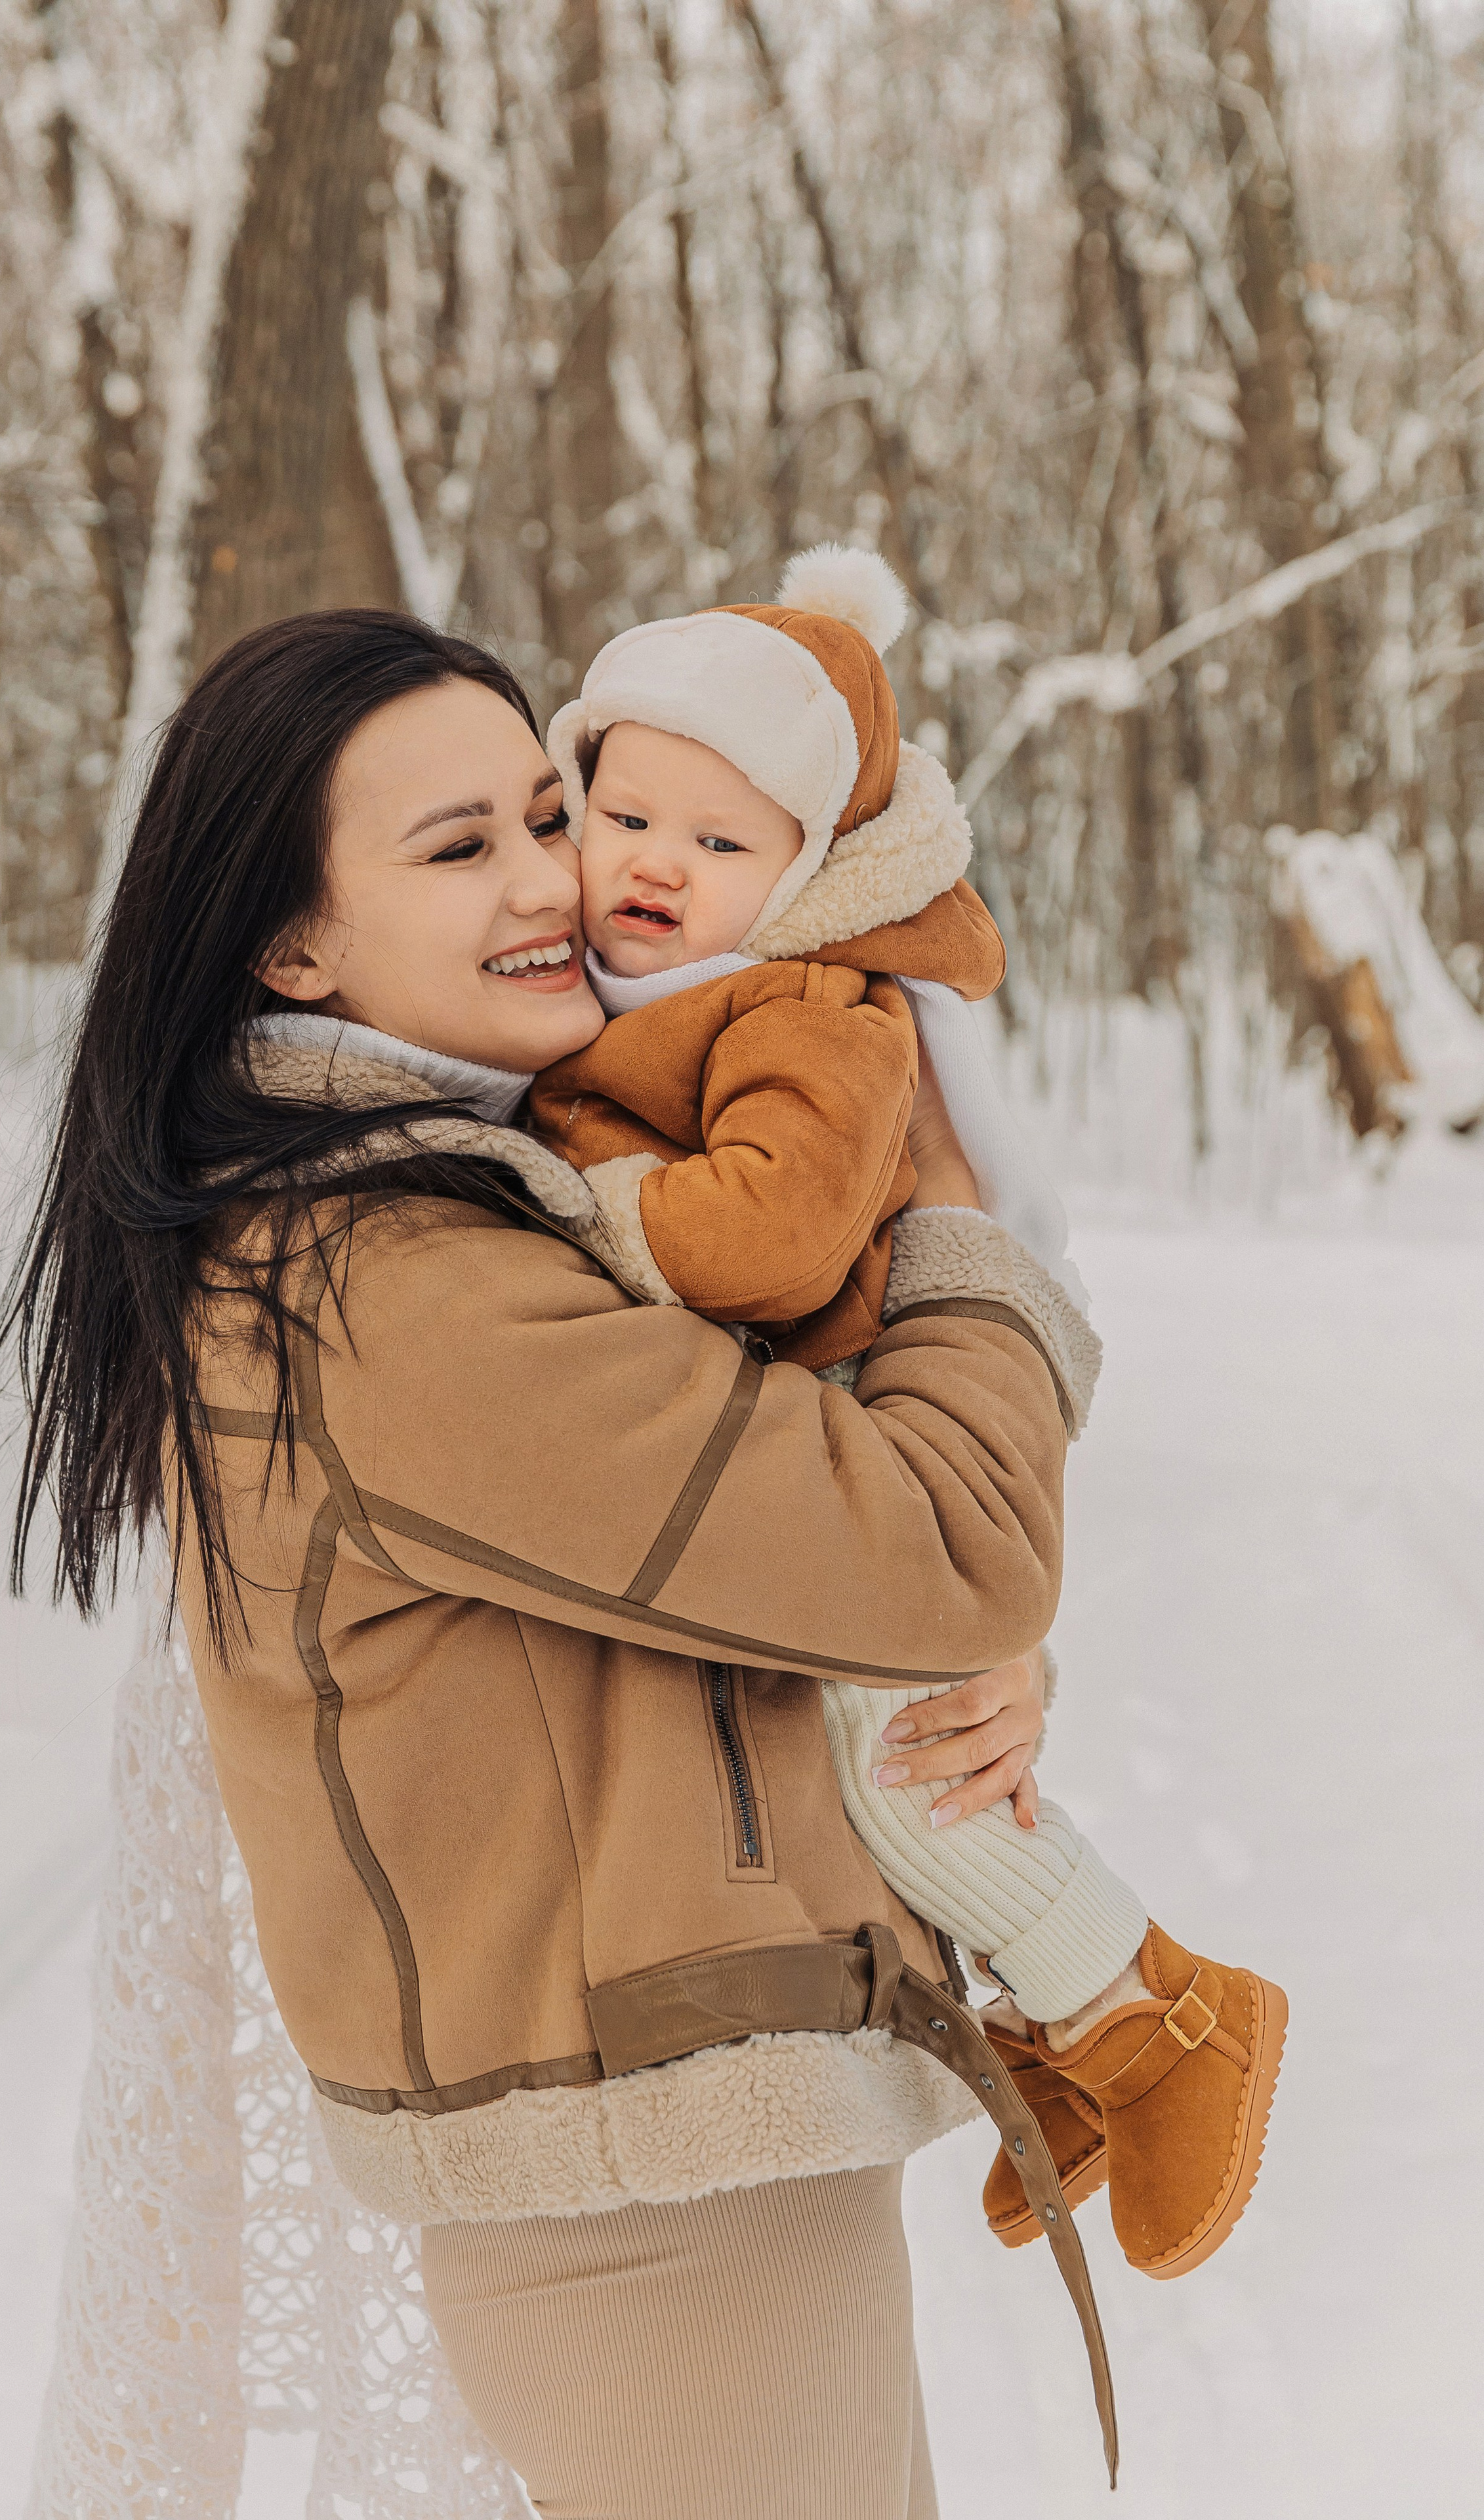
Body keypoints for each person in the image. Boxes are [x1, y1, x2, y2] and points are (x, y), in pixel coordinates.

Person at [0, 607, 1107, 2518]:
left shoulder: (456, 1217)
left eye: (548, 806)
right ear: (291, 942)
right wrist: (942, 1203)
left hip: (683, 2168)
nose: (555, 880)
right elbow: (949, 1540)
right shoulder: (394, 1281)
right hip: (658, 2202)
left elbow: (762, 1576)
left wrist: (920, 1682)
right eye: (459, 848)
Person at [531, 545, 1287, 2280]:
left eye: (721, 845)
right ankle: (1074, 2034)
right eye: (622, 811)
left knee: (905, 1766)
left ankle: (1158, 2015)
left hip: (866, 1408)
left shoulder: (811, 1007)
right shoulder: (614, 1001)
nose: (654, 864)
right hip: (795, 1431)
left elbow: (779, 1228)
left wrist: (591, 1215)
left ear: (807, 876)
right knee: (879, 1766)